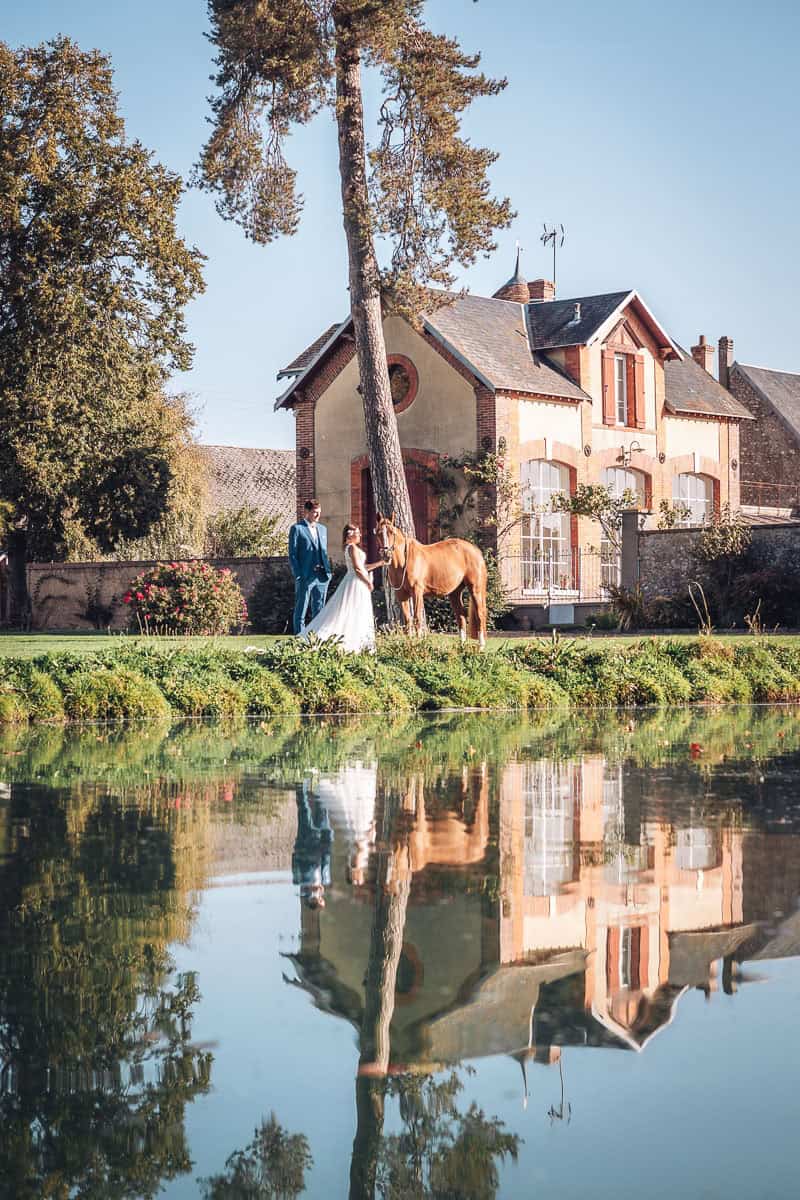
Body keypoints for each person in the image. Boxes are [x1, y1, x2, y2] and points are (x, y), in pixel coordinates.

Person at [300, 524, 382, 653]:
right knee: (352, 610)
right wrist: (368, 582)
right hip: (356, 582)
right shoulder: (352, 548)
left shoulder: (351, 548)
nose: (360, 535)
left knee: (355, 611)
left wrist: (381, 563)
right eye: (357, 533)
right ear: (350, 535)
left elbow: (363, 567)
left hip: (357, 581)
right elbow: (358, 569)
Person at [289, 498, 332, 634]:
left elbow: (324, 552)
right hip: (305, 576)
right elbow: (293, 555)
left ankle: (316, 638)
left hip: (322, 576)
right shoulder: (297, 529)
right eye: (315, 512)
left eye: (319, 512)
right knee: (301, 610)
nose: (318, 515)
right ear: (306, 512)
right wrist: (299, 575)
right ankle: (299, 639)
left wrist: (328, 572)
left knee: (319, 611)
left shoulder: (323, 529)